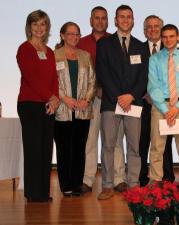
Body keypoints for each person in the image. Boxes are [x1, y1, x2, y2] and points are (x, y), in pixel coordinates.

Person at [96, 5, 149, 200]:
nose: (125, 20)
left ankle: (134, 184)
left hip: (133, 104)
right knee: (109, 145)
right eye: (122, 17)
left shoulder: (141, 46)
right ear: (116, 20)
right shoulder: (104, 44)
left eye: (129, 17)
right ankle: (108, 185)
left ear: (133, 21)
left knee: (134, 147)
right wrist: (119, 96)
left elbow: (144, 77)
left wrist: (131, 96)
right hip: (111, 102)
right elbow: (102, 72)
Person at [78, 6, 127, 194]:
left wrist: (106, 89)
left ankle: (118, 179)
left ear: (109, 21)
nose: (100, 21)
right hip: (88, 100)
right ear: (90, 21)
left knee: (114, 140)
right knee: (90, 140)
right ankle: (87, 180)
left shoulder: (116, 42)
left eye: (103, 18)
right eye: (96, 18)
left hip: (112, 98)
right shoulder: (80, 43)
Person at [16, 10, 60, 202]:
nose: (39, 28)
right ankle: (33, 193)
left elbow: (54, 79)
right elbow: (31, 78)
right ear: (29, 27)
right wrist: (51, 97)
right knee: (33, 149)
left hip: (47, 105)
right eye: (35, 24)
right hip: (30, 104)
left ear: (47, 27)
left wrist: (55, 98)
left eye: (42, 24)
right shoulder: (24, 49)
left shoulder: (49, 52)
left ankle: (43, 192)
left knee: (45, 149)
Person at [147, 24, 179, 185]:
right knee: (156, 148)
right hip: (160, 108)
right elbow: (153, 86)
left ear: (178, 37)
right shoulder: (154, 59)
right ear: (161, 38)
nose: (168, 40)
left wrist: (176, 108)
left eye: (172, 36)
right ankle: (155, 180)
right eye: (165, 36)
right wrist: (164, 109)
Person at [53, 22, 95, 196]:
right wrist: (65, 98)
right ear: (62, 35)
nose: (74, 37)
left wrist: (86, 99)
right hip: (62, 109)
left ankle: (77, 184)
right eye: (70, 34)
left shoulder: (85, 56)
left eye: (77, 34)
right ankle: (66, 185)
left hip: (82, 109)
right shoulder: (54, 55)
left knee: (79, 148)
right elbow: (52, 81)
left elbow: (92, 80)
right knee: (64, 149)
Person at [139, 15, 175, 186]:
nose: (152, 30)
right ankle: (143, 176)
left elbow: (172, 77)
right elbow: (134, 75)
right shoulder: (137, 48)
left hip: (164, 105)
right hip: (142, 102)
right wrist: (144, 93)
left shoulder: (170, 49)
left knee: (165, 142)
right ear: (145, 30)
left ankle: (167, 176)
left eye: (156, 26)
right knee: (143, 140)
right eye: (149, 27)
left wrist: (158, 97)